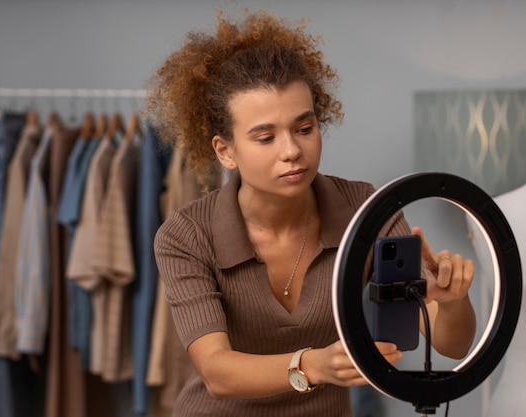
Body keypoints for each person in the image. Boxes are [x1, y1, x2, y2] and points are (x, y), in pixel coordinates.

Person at [146, 9, 476, 417]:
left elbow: (452, 344)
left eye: (304, 129)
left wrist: (454, 301)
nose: (292, 151)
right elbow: (217, 372)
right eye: (265, 137)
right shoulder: (186, 235)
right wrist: (311, 365)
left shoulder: (365, 210)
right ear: (225, 151)